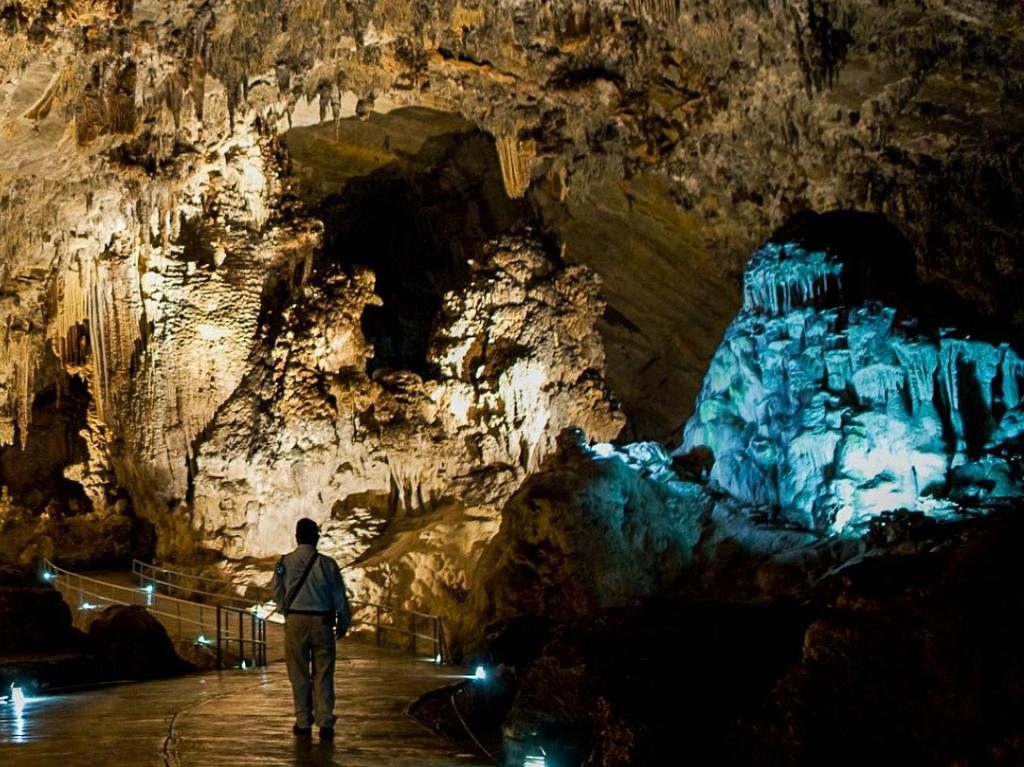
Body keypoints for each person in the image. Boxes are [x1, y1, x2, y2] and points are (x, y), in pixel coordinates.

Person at [273, 517, 351, 738]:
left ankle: (303, 721)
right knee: (324, 672)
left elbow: (277, 589)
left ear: (297, 537)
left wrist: (284, 609)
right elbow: (339, 597)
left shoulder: (283, 562)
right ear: (316, 537)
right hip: (322, 622)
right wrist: (343, 622)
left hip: (296, 621)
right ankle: (325, 720)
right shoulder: (328, 564)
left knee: (298, 672)